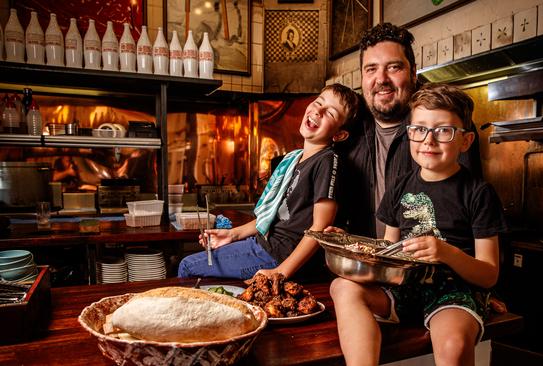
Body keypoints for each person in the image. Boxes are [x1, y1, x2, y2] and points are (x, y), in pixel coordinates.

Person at [329, 83, 507, 366]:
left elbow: (489, 274)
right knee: (342, 288)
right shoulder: (399, 186)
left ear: (466, 141)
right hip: (402, 289)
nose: (429, 140)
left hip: (452, 293)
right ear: (410, 133)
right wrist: (349, 243)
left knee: (454, 344)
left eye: (444, 131)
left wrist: (446, 252)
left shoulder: (478, 193)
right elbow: (388, 251)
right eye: (419, 129)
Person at [178, 83, 359, 280]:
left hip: (278, 254)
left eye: (330, 113)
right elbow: (272, 216)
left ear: (339, 135)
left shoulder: (327, 160)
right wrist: (232, 235)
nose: (319, 111)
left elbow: (320, 229)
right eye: (318, 102)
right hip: (264, 244)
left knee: (187, 266)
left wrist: (280, 272)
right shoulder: (294, 159)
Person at [334, 23, 482, 239]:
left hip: (424, 268)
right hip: (366, 264)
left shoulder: (446, 129)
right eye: (371, 69)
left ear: (413, 72)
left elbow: (463, 214)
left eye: (394, 67)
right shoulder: (351, 127)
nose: (382, 79)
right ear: (362, 77)